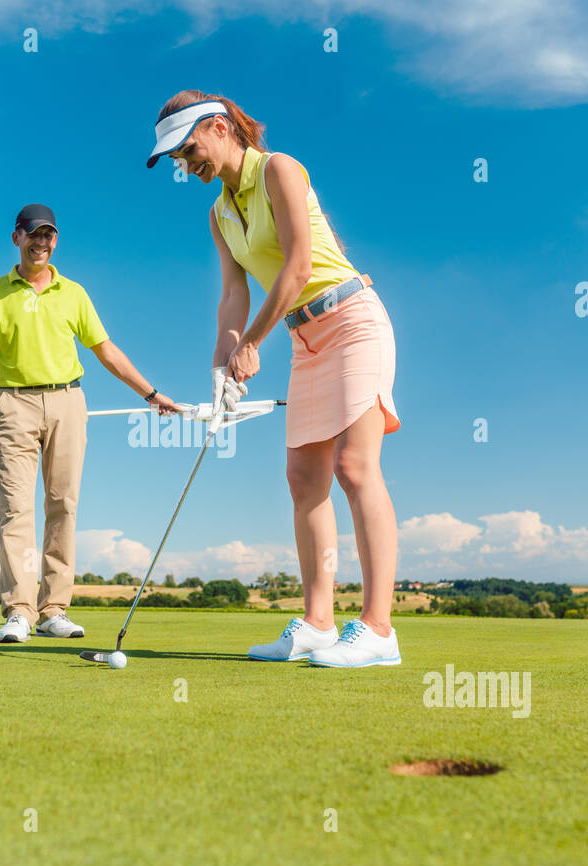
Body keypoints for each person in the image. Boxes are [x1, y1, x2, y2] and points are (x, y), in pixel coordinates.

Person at [148, 93, 402, 668]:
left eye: (188, 150)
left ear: (219, 127)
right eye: (176, 160)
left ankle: (380, 630)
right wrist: (222, 366)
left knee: (355, 467)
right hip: (302, 339)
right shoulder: (218, 214)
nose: (185, 166)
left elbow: (298, 268)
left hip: (353, 321)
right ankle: (317, 623)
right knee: (303, 476)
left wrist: (253, 345)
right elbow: (233, 296)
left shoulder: (280, 169)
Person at [0, 203, 179, 643]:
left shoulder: (74, 293)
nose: (41, 242)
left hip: (68, 401)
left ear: (55, 240)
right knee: (16, 512)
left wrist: (152, 395)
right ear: (17, 238)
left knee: (63, 506)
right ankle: (20, 611)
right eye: (33, 234)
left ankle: (53, 610)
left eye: (49, 235)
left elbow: (107, 352)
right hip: (13, 405)